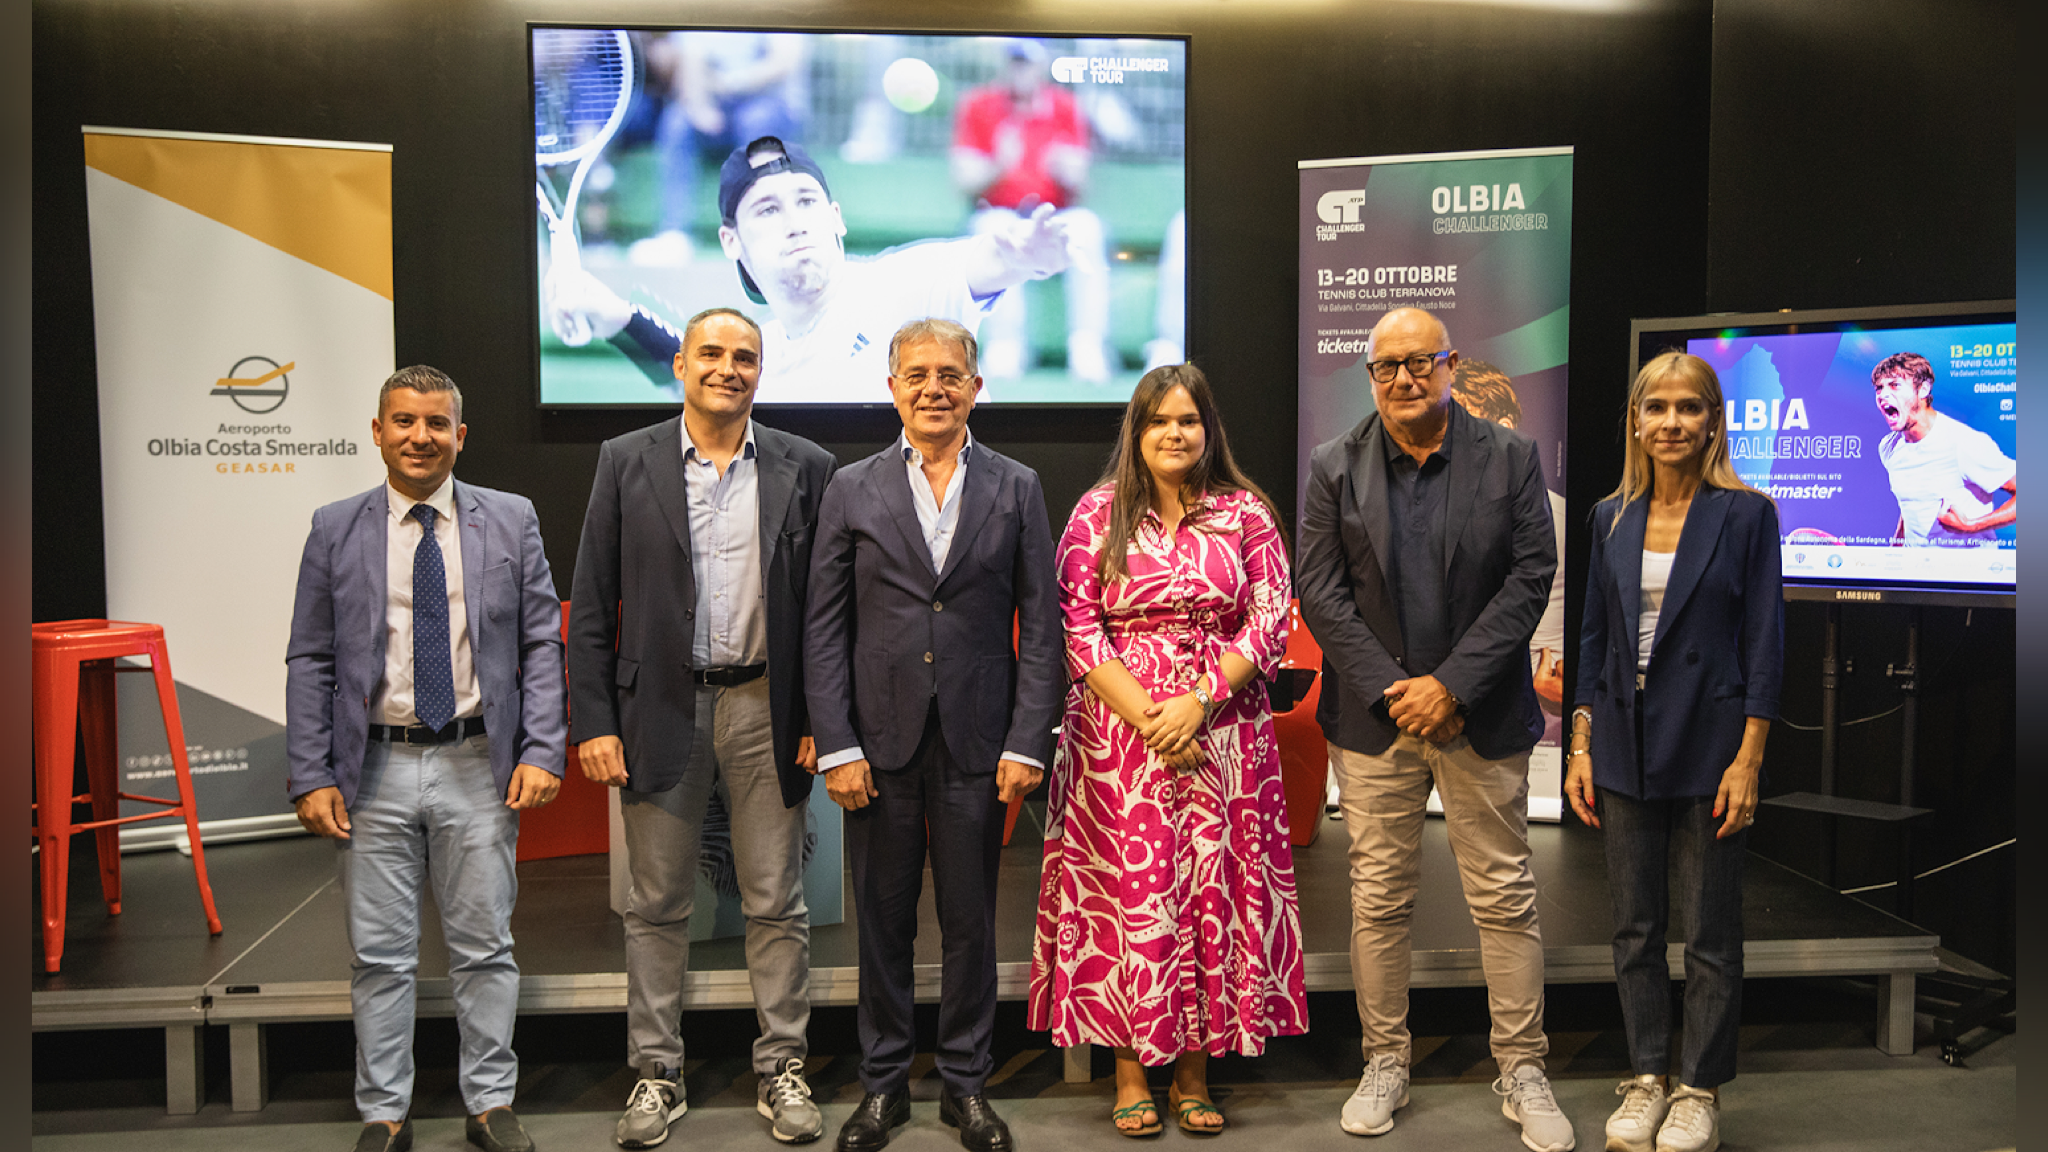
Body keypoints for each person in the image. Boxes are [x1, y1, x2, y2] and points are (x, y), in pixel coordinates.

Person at [1296, 308, 1571, 1151]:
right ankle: (1386, 1062)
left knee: (1505, 898)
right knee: (1378, 902)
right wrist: (1393, 691)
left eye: (1422, 362)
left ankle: (1523, 1068)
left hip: (1479, 715)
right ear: (1369, 375)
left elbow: (1533, 577)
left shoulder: (1512, 458)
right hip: (1376, 726)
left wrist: (1450, 684)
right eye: (1388, 367)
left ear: (1450, 365)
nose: (1405, 378)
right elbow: (1320, 589)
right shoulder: (1332, 466)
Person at [566, 308, 838, 1149]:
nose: (729, 368)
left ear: (763, 370)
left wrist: (822, 718)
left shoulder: (808, 466)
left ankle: (781, 1066)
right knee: (655, 906)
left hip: (767, 710)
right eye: (712, 354)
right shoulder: (625, 460)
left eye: (745, 357)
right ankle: (657, 1074)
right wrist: (595, 721)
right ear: (680, 363)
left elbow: (830, 612)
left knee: (777, 902)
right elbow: (588, 605)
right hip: (658, 711)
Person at [285, 365, 565, 1152]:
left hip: (478, 762)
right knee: (379, 955)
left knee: (485, 946)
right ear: (377, 432)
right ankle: (383, 1113)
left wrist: (544, 748)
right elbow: (310, 657)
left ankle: (490, 1103)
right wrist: (309, 772)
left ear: (460, 436)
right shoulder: (334, 525)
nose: (420, 437)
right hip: (370, 770)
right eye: (403, 422)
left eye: (436, 423)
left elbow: (542, 641)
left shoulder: (510, 520)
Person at [1027, 363, 1307, 1137]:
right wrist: (1154, 717)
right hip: (1118, 741)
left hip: (1223, 731)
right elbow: (1078, 629)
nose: (1176, 434)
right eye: (1160, 422)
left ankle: (1193, 1073)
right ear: (1137, 433)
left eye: (1189, 420)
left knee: (1211, 896)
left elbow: (1271, 620)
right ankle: (1127, 1073)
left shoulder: (1245, 513)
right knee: (1130, 894)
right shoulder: (1094, 515)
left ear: (1208, 429)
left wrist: (1199, 701)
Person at [805, 318, 1062, 1152]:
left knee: (969, 925)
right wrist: (836, 745)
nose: (933, 388)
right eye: (916, 374)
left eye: (950, 374)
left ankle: (965, 1085)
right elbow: (824, 628)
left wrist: (1029, 742)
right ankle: (882, 1086)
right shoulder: (851, 487)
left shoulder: (1018, 485)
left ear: (976, 387)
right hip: (876, 747)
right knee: (881, 924)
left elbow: (1044, 626)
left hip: (981, 746)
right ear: (892, 387)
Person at [1567, 351, 1783, 1152]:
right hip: (1624, 743)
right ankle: (1647, 1075)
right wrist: (1580, 746)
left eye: (1687, 408)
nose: (1670, 422)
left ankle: (1699, 1090)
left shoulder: (1747, 515)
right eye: (1654, 407)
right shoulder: (1609, 516)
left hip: (1711, 743)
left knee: (1710, 933)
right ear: (1635, 420)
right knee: (1633, 928)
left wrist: (1750, 758)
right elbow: (1591, 643)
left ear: (1713, 421)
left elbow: (1765, 645)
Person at [548, 136, 1076, 403]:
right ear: (731, 242)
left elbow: (988, 261)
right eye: (768, 210)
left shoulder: (906, 284)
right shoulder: (763, 357)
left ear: (836, 218)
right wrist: (611, 315)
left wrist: (1026, 256)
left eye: (806, 201)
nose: (795, 222)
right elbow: (687, 374)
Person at [950, 39, 1114, 382]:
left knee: (1087, 228)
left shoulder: (1065, 106)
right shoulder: (980, 104)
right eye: (1014, 61)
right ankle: (1007, 345)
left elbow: (1083, 181)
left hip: (1054, 213)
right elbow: (964, 177)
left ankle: (1087, 345)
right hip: (1001, 210)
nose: (1019, 70)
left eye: (1026, 62)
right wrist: (998, 162)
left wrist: (1068, 169)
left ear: (1041, 66)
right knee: (994, 228)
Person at [1451, 358, 1567, 725]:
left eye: (1461, 424)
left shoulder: (1555, 517)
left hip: (1517, 720)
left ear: (1503, 427)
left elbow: (1549, 665)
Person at [1869, 351, 2015, 546]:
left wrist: (1971, 526)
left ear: (1923, 390)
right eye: (1879, 388)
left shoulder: (1963, 442)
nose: (1883, 395)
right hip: (1915, 571)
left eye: (1895, 385)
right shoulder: (1889, 446)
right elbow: (1911, 504)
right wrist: (1896, 549)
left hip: (1967, 572)